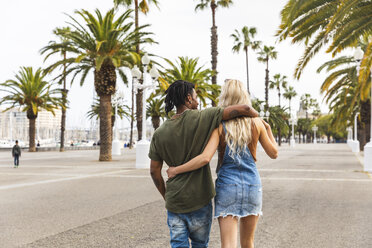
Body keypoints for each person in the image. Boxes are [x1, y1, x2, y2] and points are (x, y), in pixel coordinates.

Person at [167, 79, 278, 248]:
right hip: (252, 186)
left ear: (225, 98)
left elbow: (205, 158)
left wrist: (176, 170)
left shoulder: (220, 126)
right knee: (248, 243)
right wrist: (268, 128)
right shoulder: (257, 124)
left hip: (228, 187)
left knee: (228, 245)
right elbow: (274, 153)